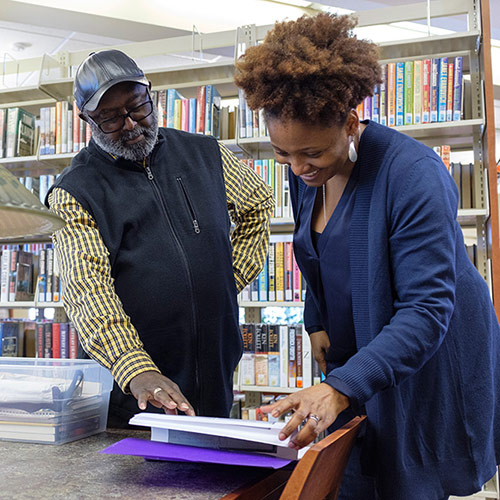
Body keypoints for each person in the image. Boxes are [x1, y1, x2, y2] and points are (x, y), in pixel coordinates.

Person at [234, 13, 500, 500]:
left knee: (405, 479)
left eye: (310, 153)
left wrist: (342, 384)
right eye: (282, 155)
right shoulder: (303, 171)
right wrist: (316, 320)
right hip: (362, 350)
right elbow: (313, 251)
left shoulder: (413, 175)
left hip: (427, 355)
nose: (297, 168)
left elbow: (426, 310)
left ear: (351, 122)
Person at [46, 49, 273, 426]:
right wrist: (136, 369)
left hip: (215, 375)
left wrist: (225, 282)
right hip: (132, 401)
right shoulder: (74, 191)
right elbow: (86, 289)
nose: (132, 125)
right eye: (110, 118)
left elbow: (258, 205)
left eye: (138, 107)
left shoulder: (206, 153)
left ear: (152, 96)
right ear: (84, 117)